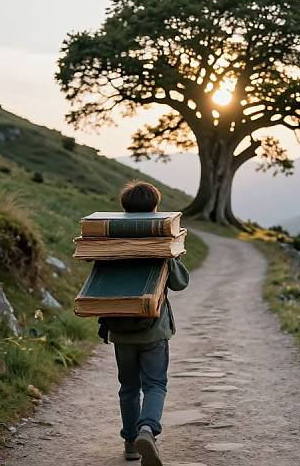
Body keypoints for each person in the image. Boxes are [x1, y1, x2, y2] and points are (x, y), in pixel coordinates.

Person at [99, 180, 189, 466]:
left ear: (123, 208)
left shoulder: (108, 241)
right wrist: (173, 254)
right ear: (155, 208)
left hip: (120, 330)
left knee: (128, 387)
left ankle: (130, 444)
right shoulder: (158, 242)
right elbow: (180, 283)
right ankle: (147, 429)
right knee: (155, 385)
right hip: (153, 330)